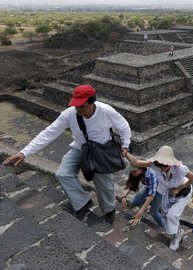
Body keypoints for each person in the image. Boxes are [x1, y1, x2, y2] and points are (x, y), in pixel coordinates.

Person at [2, 85, 131, 223]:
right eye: (76, 106)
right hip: (80, 148)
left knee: (103, 183)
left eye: (82, 106)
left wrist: (125, 144)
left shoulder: (106, 111)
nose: (79, 110)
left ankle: (109, 209)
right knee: (63, 173)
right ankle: (83, 202)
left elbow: (123, 126)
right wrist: (24, 152)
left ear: (92, 102)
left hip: (102, 150)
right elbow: (49, 133)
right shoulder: (69, 114)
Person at [125, 145, 193, 250]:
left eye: (165, 164)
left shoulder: (180, 169)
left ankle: (176, 237)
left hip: (183, 193)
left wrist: (178, 189)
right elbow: (135, 162)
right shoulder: (155, 165)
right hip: (168, 192)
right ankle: (178, 232)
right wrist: (125, 153)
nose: (162, 167)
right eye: (159, 164)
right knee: (165, 215)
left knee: (172, 215)